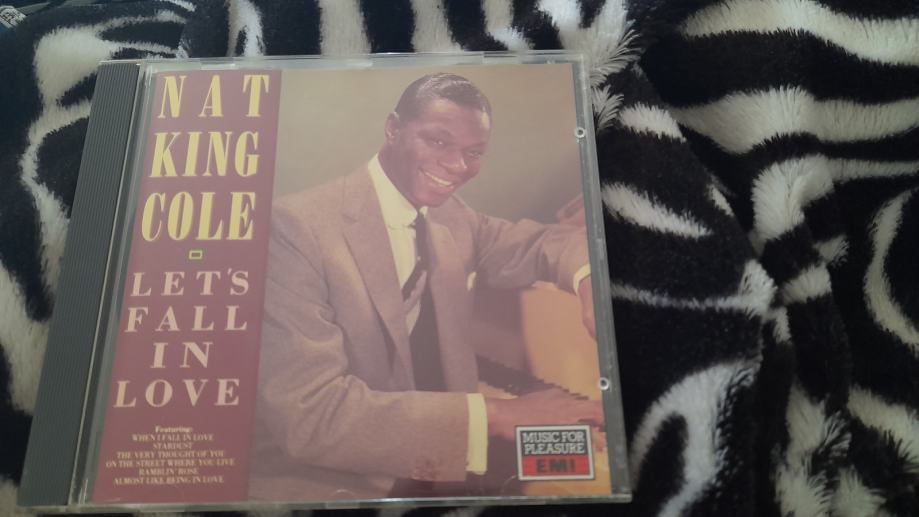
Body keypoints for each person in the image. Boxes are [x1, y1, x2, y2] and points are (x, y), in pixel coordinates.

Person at [249, 73, 603, 500]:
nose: (457, 166)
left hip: (429, 457)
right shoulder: (294, 228)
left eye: (473, 152)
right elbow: (311, 417)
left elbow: (543, 243)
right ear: (393, 128)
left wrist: (589, 279)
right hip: (325, 480)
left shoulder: (453, 217)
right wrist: (495, 415)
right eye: (438, 141)